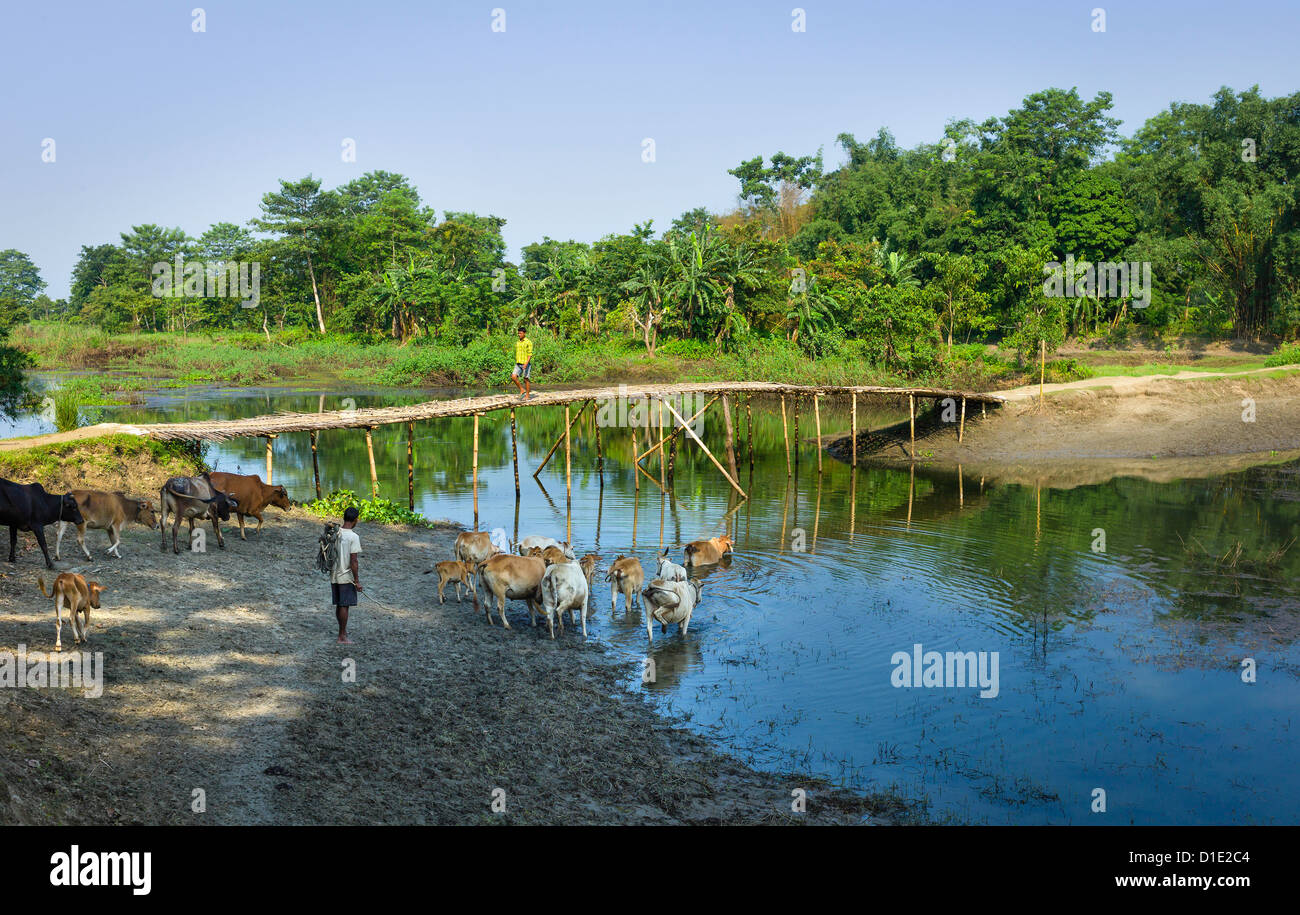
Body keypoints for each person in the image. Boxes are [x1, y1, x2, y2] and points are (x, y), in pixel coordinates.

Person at [331, 506, 363, 643]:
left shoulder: (336, 533)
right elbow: (354, 561)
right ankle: (342, 636)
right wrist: (357, 581)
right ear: (355, 520)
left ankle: (341, 631)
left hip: (334, 574)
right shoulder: (353, 537)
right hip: (346, 576)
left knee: (339, 604)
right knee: (344, 605)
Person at [510, 327, 533, 401]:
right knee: (513, 376)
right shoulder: (518, 342)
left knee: (526, 379)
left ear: (524, 333)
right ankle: (522, 390)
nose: (519, 334)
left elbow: (530, 354)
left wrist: (526, 363)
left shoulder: (528, 342)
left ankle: (527, 395)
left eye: (520, 333)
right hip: (518, 363)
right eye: (518, 333)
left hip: (526, 363)